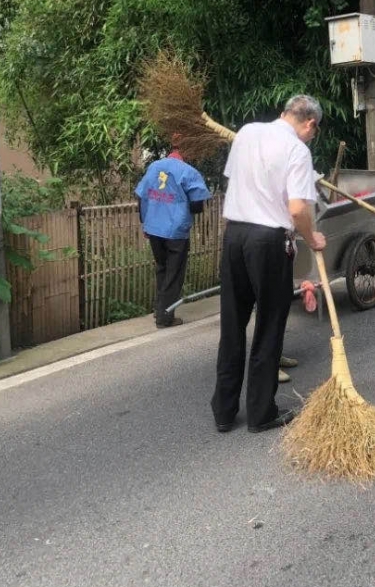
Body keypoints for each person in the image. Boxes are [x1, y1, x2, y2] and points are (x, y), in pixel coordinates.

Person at [211, 95, 326, 434]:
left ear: (283, 113)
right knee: (269, 325)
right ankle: (261, 412)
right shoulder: (298, 151)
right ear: (310, 124)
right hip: (269, 242)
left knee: (232, 324)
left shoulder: (247, 132)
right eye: (313, 132)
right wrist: (313, 237)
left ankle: (224, 411)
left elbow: (238, 182)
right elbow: (297, 209)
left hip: (234, 237)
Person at [135, 136, 212, 328]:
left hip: (154, 227)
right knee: (174, 273)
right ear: (186, 152)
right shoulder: (189, 172)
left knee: (161, 268)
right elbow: (196, 205)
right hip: (176, 230)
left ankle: (159, 309)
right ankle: (165, 317)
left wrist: (145, 222)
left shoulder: (153, 167)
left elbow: (141, 196)